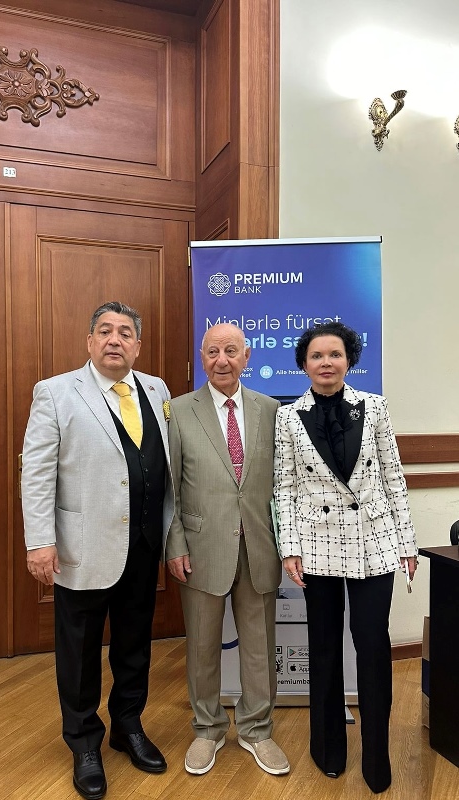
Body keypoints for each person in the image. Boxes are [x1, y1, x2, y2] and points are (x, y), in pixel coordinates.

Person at [21, 301, 174, 800]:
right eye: (105, 331)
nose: (115, 340)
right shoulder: (56, 392)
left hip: (144, 546)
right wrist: (40, 541)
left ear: (137, 346)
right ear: (89, 342)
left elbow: (166, 465)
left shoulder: (156, 389)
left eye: (125, 333)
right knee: (80, 650)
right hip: (82, 547)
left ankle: (128, 725)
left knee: (134, 645)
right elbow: (36, 472)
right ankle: (85, 742)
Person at [273, 321, 418, 794]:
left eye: (335, 354)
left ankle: (377, 756)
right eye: (317, 356)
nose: (326, 363)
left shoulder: (374, 407)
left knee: (372, 645)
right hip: (316, 545)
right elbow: (284, 488)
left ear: (349, 360)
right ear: (303, 364)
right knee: (323, 645)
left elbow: (393, 476)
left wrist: (406, 542)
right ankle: (327, 748)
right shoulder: (288, 417)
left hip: (374, 542)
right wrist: (290, 547)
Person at [166, 323, 290, 778]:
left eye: (231, 351)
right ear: (202, 358)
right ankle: (208, 728)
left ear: (247, 357)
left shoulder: (271, 410)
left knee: (259, 646)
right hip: (200, 549)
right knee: (202, 646)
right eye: (213, 352)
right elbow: (170, 487)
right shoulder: (178, 411)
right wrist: (175, 543)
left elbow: (283, 484)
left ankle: (257, 730)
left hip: (260, 546)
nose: (222, 360)